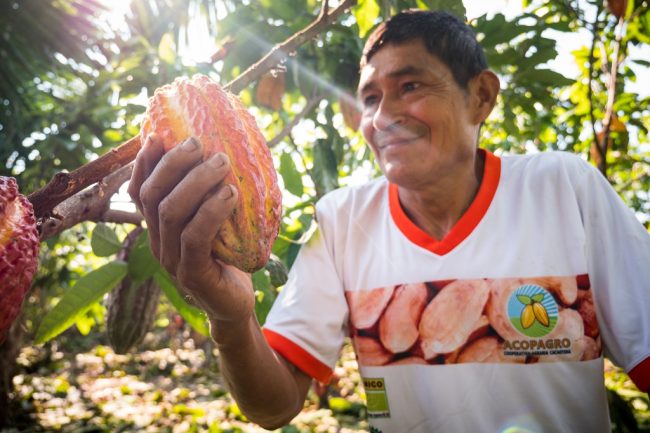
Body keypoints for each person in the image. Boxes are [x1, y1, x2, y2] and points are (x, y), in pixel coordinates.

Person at [128, 9, 650, 433]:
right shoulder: (341, 221)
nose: (382, 117)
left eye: (411, 86)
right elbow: (273, 406)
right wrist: (231, 317)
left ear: (481, 97)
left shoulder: (564, 189)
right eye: (371, 97)